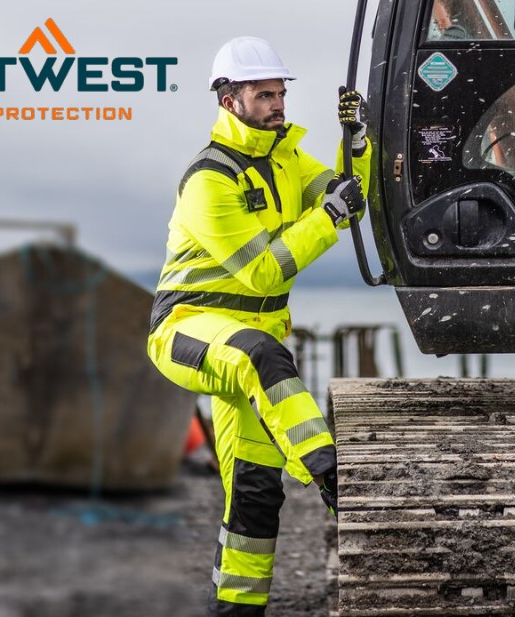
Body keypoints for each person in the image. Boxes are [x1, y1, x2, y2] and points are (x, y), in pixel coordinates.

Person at [146, 36, 371, 615]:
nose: (277, 104)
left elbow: (349, 198)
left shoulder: (288, 160)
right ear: (229, 101)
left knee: (254, 490)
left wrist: (358, 147)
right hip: (186, 330)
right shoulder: (208, 181)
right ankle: (331, 477)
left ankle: (236, 609)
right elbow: (265, 273)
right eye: (263, 94)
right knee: (259, 354)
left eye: (280, 93)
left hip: (247, 347)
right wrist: (327, 217)